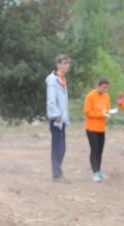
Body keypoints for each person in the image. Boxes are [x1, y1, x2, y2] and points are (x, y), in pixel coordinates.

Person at [45, 54, 71, 183]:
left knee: (62, 147)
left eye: (68, 63)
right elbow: (51, 100)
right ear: (58, 64)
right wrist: (56, 115)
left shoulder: (62, 79)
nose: (67, 66)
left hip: (62, 119)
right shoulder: (52, 80)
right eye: (64, 63)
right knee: (58, 147)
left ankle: (58, 172)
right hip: (56, 119)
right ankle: (57, 174)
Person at [83, 77, 112, 182]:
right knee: (94, 150)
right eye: (104, 87)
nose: (105, 90)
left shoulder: (106, 96)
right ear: (98, 86)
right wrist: (101, 114)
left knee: (100, 151)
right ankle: (94, 172)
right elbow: (87, 112)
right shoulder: (90, 96)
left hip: (101, 128)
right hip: (91, 128)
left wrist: (108, 113)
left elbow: (107, 109)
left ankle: (99, 170)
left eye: (106, 88)